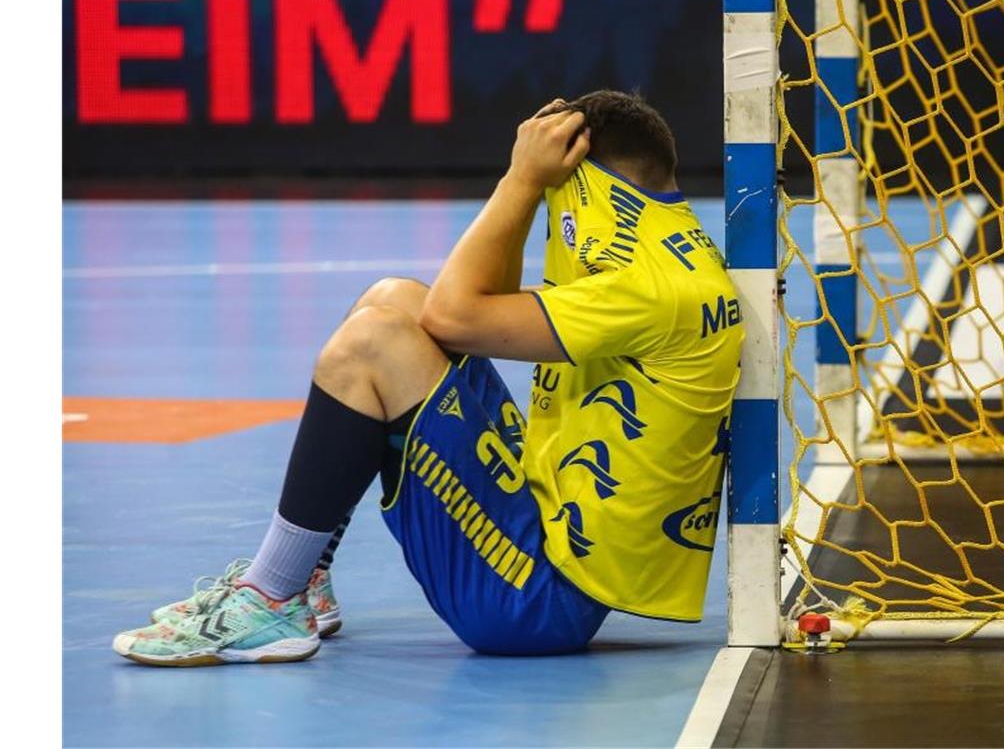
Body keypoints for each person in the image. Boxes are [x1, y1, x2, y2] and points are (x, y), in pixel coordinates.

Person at [112, 91, 743, 665]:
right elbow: (464, 309)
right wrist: (526, 182)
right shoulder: (662, 241)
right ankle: (305, 575)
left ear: (583, 183)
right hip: (549, 522)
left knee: (369, 346)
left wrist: (521, 178)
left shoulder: (646, 287)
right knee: (394, 299)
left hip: (534, 602)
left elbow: (456, 312)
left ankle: (272, 598)